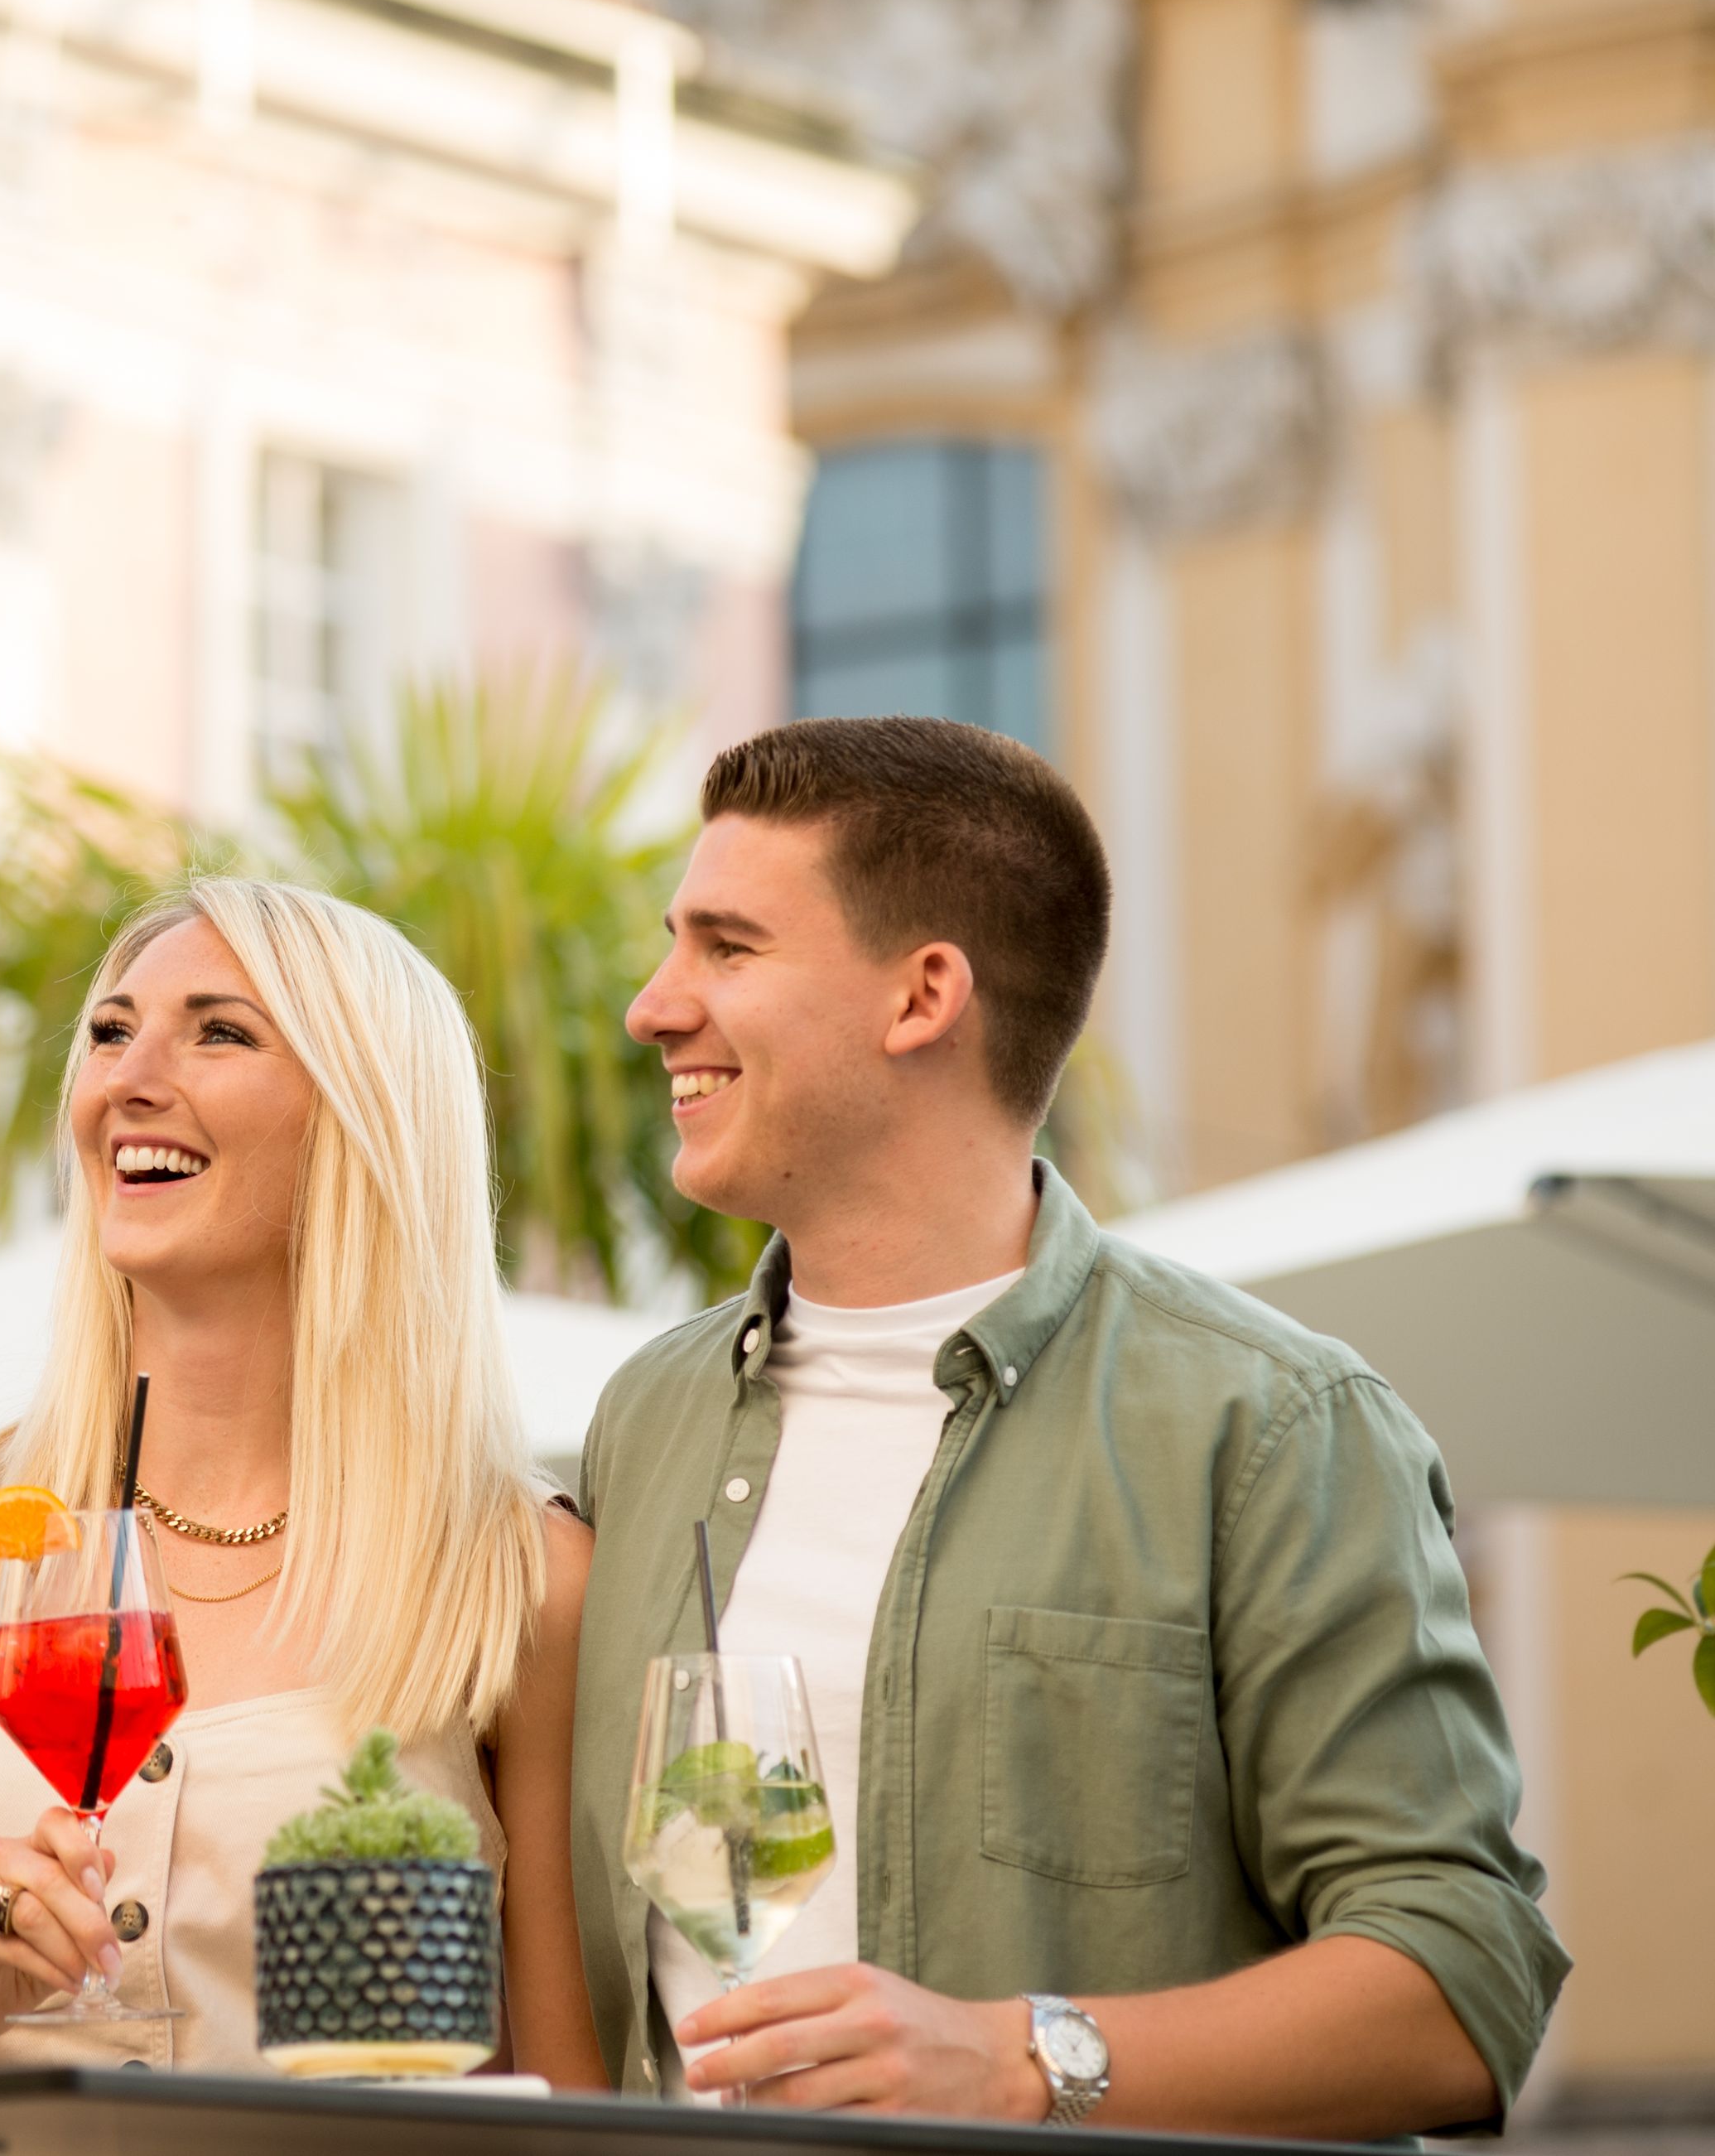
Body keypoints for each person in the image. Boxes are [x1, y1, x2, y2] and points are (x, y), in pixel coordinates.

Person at [571, 716, 1568, 2134]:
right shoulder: (642, 1420)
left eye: (727, 949)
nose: (652, 1006)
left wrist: (1020, 2058)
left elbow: (1463, 1976)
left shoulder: (1272, 1426)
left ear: (924, 995)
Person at [0, 878, 603, 2080]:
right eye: (110, 1031)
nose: (127, 1080)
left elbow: (571, 2100)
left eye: (220, 1033)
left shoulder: (519, 1577)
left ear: (366, 1117)